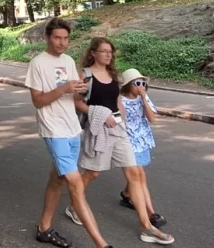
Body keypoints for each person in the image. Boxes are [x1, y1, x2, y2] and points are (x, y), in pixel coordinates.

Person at [66, 37, 175, 245]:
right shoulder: (86, 76)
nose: (108, 55)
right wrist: (98, 113)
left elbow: (117, 101)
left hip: (118, 129)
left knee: (133, 172)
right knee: (92, 173)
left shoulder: (113, 75)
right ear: (93, 53)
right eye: (104, 51)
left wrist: (121, 119)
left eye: (110, 52)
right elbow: (77, 103)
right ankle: (74, 206)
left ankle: (146, 227)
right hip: (98, 129)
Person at [25, 18, 114, 248]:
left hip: (72, 127)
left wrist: (80, 91)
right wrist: (63, 88)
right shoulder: (38, 63)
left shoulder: (67, 60)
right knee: (75, 183)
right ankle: (101, 244)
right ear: (47, 38)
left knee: (57, 180)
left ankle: (44, 229)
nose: (62, 43)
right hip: (54, 129)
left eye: (65, 38)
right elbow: (38, 101)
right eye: (57, 38)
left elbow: (74, 99)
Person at [118, 68, 167, 228]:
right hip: (127, 141)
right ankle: (151, 213)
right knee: (140, 175)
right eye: (137, 83)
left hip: (142, 140)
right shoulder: (120, 100)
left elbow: (152, 119)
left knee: (137, 175)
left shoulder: (143, 98)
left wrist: (144, 98)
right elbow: (118, 120)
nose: (141, 86)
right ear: (127, 85)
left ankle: (127, 194)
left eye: (143, 83)